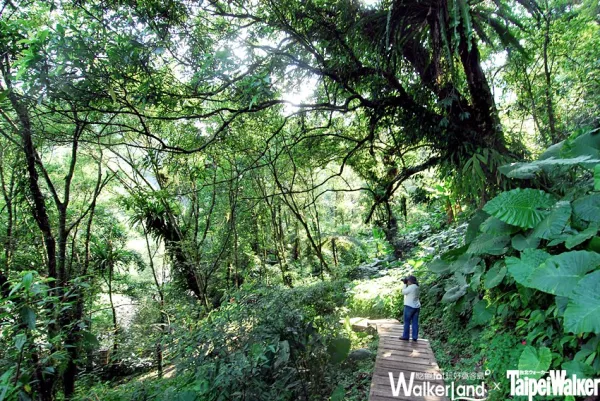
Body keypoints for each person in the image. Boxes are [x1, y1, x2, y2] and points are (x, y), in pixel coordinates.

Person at [400, 275, 420, 341]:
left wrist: (404, 284)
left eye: (408, 280)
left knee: (407, 322)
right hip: (416, 307)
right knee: (415, 322)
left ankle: (405, 336)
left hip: (409, 306)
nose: (407, 281)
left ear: (410, 281)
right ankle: (415, 337)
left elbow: (403, 292)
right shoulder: (417, 287)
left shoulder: (411, 287)